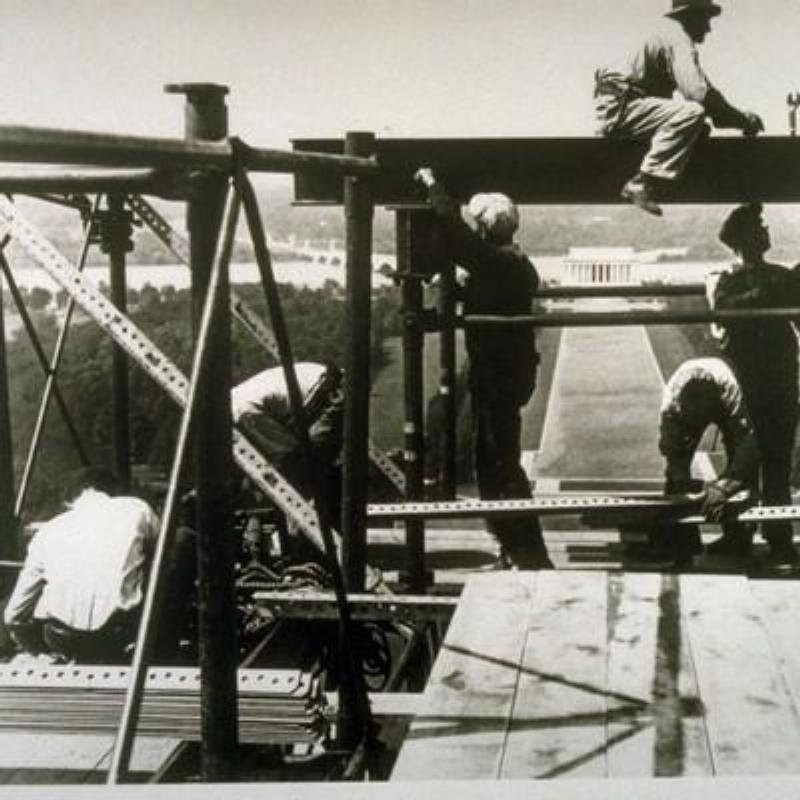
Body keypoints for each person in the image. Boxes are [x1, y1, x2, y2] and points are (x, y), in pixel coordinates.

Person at [413, 167, 552, 570]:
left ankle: (528, 554)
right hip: (501, 374)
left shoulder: (497, 264)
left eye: (479, 223)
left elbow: (457, 237)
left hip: (499, 377)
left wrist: (433, 186)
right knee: (494, 464)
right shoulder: (509, 263)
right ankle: (517, 550)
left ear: (488, 229)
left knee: (499, 465)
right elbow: (477, 276)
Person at [594, 0, 763, 216]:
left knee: (697, 127)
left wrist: (738, 117)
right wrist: (743, 120)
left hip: (619, 108)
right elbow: (698, 95)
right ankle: (641, 181)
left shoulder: (666, 35)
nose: (709, 28)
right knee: (693, 113)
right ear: (690, 17)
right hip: (622, 109)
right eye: (706, 19)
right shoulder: (677, 38)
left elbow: (706, 90)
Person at [712, 203, 800, 568]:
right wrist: (768, 290)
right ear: (743, 238)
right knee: (749, 452)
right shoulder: (733, 281)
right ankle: (744, 534)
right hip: (750, 377)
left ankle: (777, 536)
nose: (765, 231)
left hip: (777, 374)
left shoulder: (779, 277)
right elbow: (725, 312)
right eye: (757, 227)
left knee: (777, 459)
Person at [3, 468, 160, 663]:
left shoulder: (47, 531)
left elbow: (13, 616)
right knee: (180, 539)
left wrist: (38, 652)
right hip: (121, 633)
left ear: (69, 502)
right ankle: (165, 648)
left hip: (61, 638)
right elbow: (163, 557)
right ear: (114, 492)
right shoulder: (136, 508)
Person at [655, 357, 759, 566]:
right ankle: (682, 540)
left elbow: (748, 445)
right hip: (690, 408)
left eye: (702, 415)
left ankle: (737, 537)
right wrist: (685, 486)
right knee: (676, 477)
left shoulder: (730, 394)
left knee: (740, 465)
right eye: (694, 417)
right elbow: (673, 459)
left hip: (722, 400)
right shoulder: (671, 409)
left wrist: (724, 488)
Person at [231, 362, 344, 539]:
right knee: (303, 467)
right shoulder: (238, 399)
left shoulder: (241, 411)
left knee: (299, 467)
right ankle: (315, 534)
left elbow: (290, 450)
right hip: (322, 388)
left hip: (324, 393)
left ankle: (310, 536)